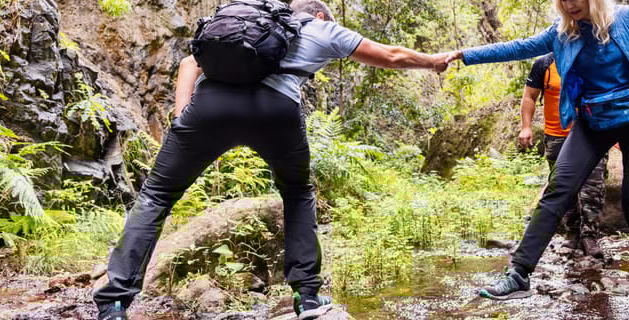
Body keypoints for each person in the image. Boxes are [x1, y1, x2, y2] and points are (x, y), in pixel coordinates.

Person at [93, 1, 448, 319]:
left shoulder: (244, 24)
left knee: (156, 196)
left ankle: (114, 304)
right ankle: (307, 297)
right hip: (276, 113)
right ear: (320, 14)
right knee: (296, 194)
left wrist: (182, 116)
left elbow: (189, 62)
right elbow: (391, 56)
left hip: (209, 108)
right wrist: (433, 61)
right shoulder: (321, 28)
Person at [444, 0, 629, 299]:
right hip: (591, 120)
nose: (569, 4)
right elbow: (518, 47)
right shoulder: (562, 30)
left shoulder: (627, 17)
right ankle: (519, 273)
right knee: (558, 189)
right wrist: (463, 55)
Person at [519, 53, 607, 258]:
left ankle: (590, 236)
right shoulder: (544, 64)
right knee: (562, 187)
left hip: (593, 134)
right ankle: (573, 232)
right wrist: (526, 127)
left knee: (593, 187)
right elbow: (529, 96)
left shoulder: (594, 57)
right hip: (557, 135)